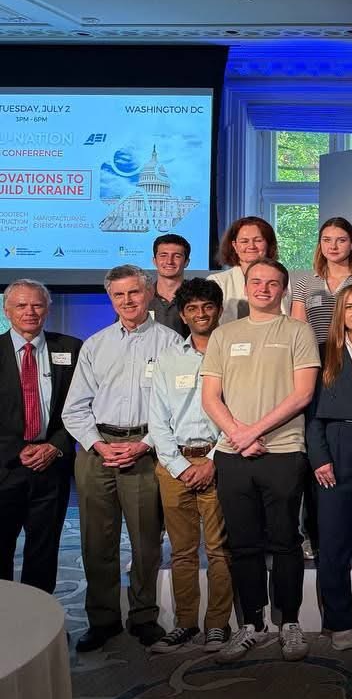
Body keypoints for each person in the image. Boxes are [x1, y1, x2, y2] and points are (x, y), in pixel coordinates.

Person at [202, 258, 320, 663]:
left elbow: (303, 394)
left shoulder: (298, 331)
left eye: (272, 283)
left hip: (283, 451)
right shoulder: (224, 334)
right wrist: (238, 435)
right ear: (246, 286)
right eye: (256, 281)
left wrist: (252, 432)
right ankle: (250, 624)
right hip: (233, 455)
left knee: (286, 540)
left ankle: (289, 622)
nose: (264, 288)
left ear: (284, 289)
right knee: (243, 543)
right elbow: (210, 397)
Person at [63, 264, 181, 650]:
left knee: (146, 540)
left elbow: (177, 406)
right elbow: (74, 408)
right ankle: (103, 620)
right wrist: (99, 445)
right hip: (97, 451)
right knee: (97, 541)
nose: (127, 301)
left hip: (146, 451)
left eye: (133, 292)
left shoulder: (170, 342)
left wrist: (143, 444)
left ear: (148, 294)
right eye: (119, 295)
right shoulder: (95, 345)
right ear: (110, 299)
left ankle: (143, 616)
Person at [147, 278, 234, 654]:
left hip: (220, 461)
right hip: (174, 466)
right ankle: (185, 623)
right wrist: (180, 466)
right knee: (181, 551)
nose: (201, 314)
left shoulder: (231, 354)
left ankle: (217, 624)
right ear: (182, 315)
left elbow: (240, 411)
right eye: (192, 308)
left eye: (207, 307)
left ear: (218, 311)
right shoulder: (168, 358)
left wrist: (212, 461)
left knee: (218, 550)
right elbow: (157, 419)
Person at [306, 283, 352, 651]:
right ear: (340, 313)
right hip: (335, 449)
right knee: (333, 543)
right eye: (350, 307)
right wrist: (320, 458)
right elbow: (311, 415)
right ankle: (338, 621)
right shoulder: (324, 353)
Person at [0, 279, 80, 594]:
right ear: (6, 310)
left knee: (43, 553)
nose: (30, 312)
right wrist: (17, 450)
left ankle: (38, 618)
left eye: (37, 305)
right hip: (4, 469)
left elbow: (82, 406)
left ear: (48, 309)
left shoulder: (71, 348)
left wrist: (55, 446)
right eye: (21, 305)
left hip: (52, 467)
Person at [291, 217, 352, 347]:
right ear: (320, 244)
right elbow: (297, 330)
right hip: (314, 354)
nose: (333, 246)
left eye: (341, 240)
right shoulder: (304, 283)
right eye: (327, 240)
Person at [210, 216, 284, 324]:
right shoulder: (217, 282)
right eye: (244, 241)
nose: (251, 246)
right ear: (235, 246)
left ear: (268, 244)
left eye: (258, 240)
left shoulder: (284, 279)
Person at [149, 233, 192, 337]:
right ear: (154, 261)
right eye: (163, 255)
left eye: (177, 256)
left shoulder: (198, 297)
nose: (169, 261)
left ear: (186, 262)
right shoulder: (141, 298)